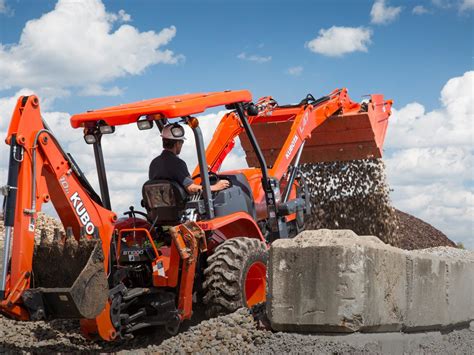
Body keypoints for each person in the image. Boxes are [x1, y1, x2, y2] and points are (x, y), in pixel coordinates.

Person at [148, 123, 229, 194]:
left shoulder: (154, 163)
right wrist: (215, 187)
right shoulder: (177, 163)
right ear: (177, 143)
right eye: (182, 142)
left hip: (158, 210)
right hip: (179, 208)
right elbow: (191, 189)